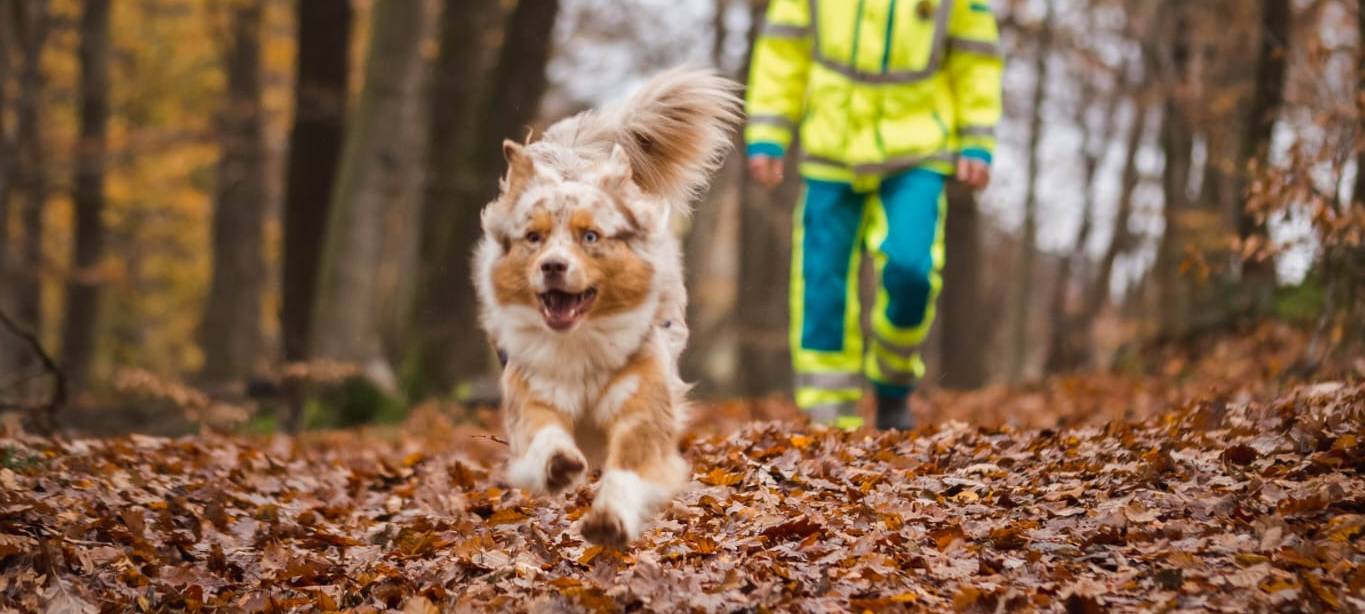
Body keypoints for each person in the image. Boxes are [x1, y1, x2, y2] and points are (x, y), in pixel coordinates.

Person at [745, 0, 1002, 430]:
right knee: (822, 285)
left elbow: (975, 55)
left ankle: (893, 382)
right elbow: (783, 50)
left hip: (917, 148)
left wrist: (978, 139)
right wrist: (768, 134)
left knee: (911, 269)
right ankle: (829, 419)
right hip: (832, 142)